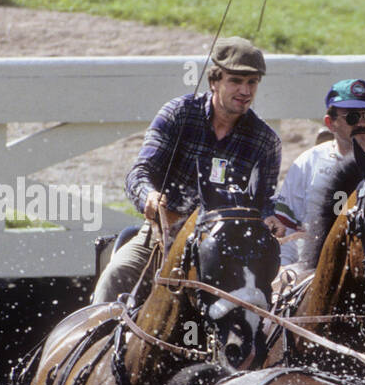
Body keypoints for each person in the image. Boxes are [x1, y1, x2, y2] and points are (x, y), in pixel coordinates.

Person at [92, 37, 283, 303]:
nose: (245, 90)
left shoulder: (265, 141)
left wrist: (270, 218)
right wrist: (148, 195)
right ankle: (102, 338)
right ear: (214, 81)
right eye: (236, 81)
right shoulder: (178, 114)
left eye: (252, 82)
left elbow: (263, 203)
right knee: (117, 273)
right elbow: (139, 173)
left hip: (223, 249)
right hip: (161, 237)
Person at [271, 79, 365, 268]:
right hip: (314, 269)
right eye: (352, 117)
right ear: (330, 123)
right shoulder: (307, 163)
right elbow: (285, 230)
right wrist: (285, 273)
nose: (363, 123)